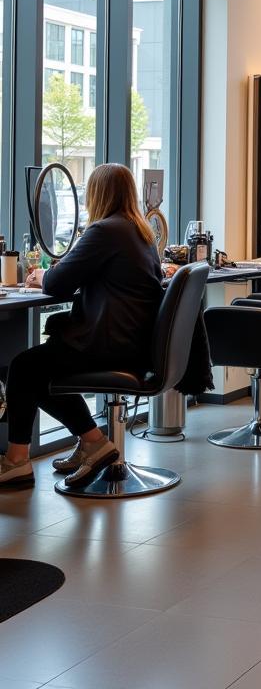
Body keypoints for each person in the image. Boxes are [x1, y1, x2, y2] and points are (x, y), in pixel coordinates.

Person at [0, 163, 163, 490]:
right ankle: (91, 441)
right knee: (39, 368)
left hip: (109, 345)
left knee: (24, 367)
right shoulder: (139, 231)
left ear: (97, 194)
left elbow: (59, 283)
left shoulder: (105, 230)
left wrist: (40, 275)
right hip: (132, 343)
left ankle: (17, 461)